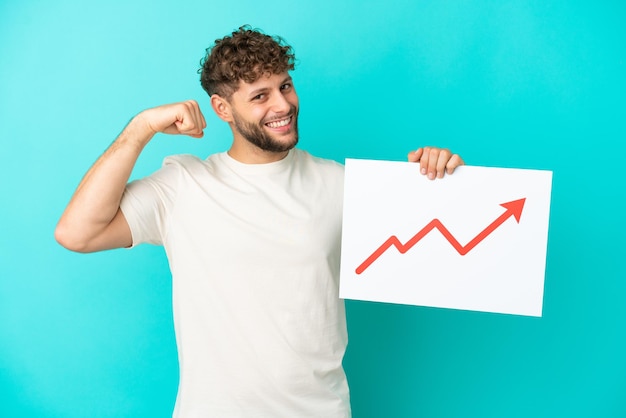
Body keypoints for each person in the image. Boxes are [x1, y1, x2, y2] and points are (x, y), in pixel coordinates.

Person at [55, 25, 464, 418]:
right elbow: (77, 233)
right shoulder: (184, 186)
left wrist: (439, 177)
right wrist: (141, 128)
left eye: (285, 86)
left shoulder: (338, 183)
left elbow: (443, 244)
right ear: (222, 108)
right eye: (260, 96)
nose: (283, 105)